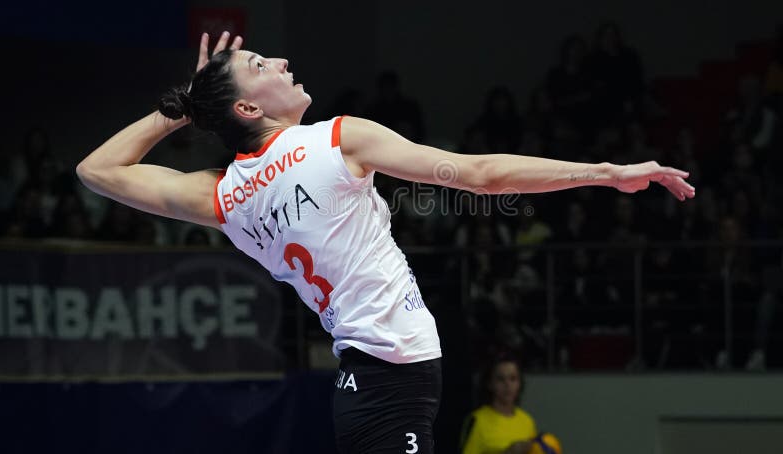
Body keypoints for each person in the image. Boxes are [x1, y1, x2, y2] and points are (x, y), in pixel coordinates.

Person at [77, 31, 696, 453]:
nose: (281, 63)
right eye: (261, 66)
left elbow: (98, 172)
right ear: (245, 107)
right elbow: (480, 176)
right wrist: (608, 174)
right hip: (387, 380)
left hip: (376, 379)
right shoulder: (336, 139)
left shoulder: (222, 197)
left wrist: (184, 106)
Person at [459, 352, 539, 454]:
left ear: (519, 383)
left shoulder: (527, 421)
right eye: (500, 379)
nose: (507, 384)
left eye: (513, 378)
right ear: (490, 383)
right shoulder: (477, 421)